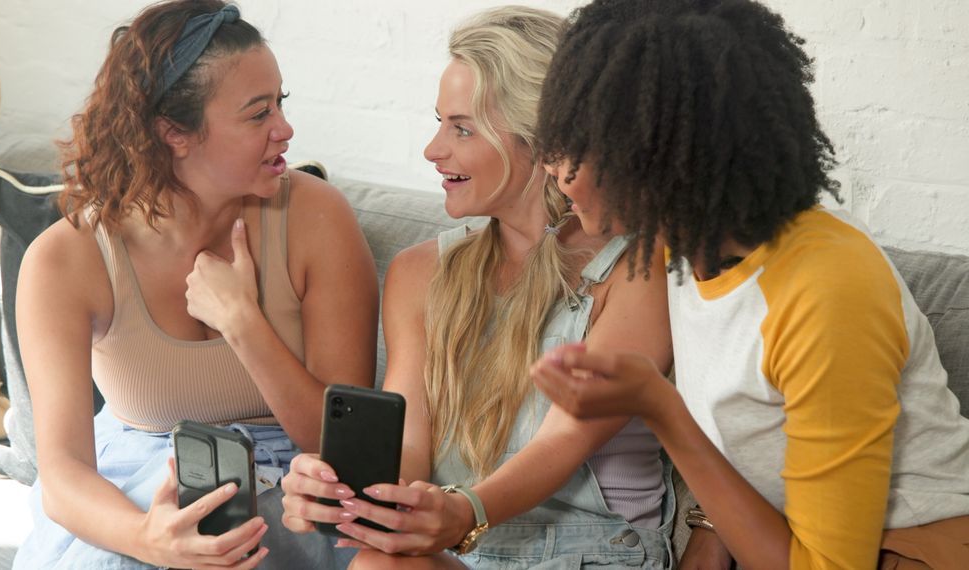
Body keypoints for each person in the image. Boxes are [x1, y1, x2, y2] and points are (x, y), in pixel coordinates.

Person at [530, 0, 969, 568]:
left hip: (913, 544)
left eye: (576, 144)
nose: (552, 163)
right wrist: (709, 532)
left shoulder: (828, 289)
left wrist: (661, 409)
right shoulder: (686, 244)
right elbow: (757, 441)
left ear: (651, 158)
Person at [279, 7, 676, 569]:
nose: (432, 150)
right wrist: (339, 489)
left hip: (595, 550)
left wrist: (463, 514)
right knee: (376, 561)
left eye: (461, 128)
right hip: (467, 550)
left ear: (542, 142)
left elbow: (563, 441)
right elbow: (410, 445)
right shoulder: (421, 274)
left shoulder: (635, 268)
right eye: (439, 122)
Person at [12, 1, 378, 568]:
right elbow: (63, 476)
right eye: (258, 115)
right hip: (140, 482)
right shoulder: (66, 261)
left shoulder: (317, 219)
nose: (285, 129)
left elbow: (342, 450)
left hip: (296, 481)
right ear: (174, 133)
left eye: (281, 104)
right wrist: (149, 539)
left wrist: (243, 323)